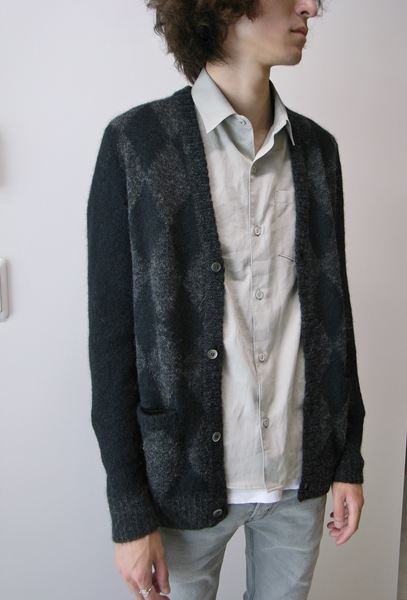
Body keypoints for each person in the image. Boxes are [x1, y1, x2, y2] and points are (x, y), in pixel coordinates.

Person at [86, 0, 366, 598]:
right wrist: (129, 511)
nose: (312, 7)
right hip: (182, 483)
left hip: (299, 475)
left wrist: (349, 458)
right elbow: (111, 345)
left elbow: (334, 317)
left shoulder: (317, 152)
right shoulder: (136, 146)